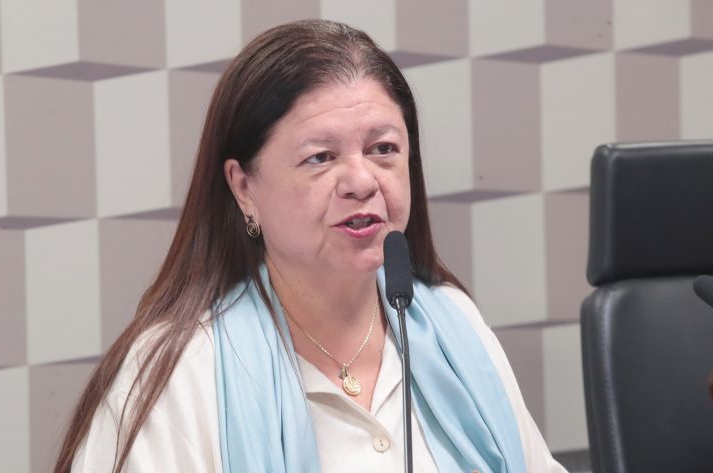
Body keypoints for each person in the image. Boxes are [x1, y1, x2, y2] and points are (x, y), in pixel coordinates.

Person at [55, 19, 567, 473]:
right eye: (320, 157)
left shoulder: (454, 325)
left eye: (383, 149)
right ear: (243, 187)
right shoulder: (176, 373)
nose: (361, 181)